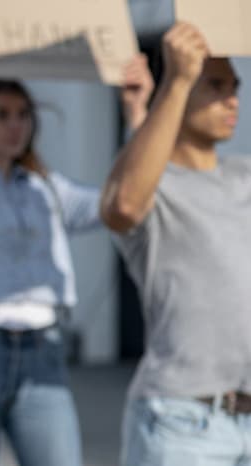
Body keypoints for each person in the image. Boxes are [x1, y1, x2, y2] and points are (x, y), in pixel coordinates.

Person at [0, 44, 153, 466]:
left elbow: (122, 204)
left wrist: (136, 115)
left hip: (42, 356)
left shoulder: (48, 188)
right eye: (2, 114)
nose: (15, 125)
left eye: (23, 114)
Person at [100, 22, 251, 466]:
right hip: (183, 422)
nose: (232, 99)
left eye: (235, 86)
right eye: (216, 85)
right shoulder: (153, 189)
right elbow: (123, 204)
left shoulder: (244, 175)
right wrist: (177, 79)